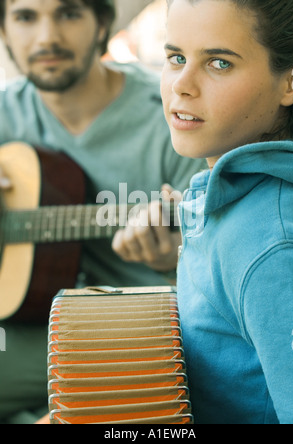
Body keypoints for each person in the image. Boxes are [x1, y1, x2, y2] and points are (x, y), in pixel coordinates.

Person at [0, 0, 206, 423]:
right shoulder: (7, 112)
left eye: (69, 13)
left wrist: (176, 259)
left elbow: (215, 259)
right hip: (29, 327)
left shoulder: (175, 117)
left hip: (141, 334)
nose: (46, 37)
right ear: (3, 31)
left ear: (102, 25)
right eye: (25, 17)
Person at [161, 0, 293, 424]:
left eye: (219, 63)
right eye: (176, 58)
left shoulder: (271, 245)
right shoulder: (228, 189)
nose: (182, 85)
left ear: (292, 82)